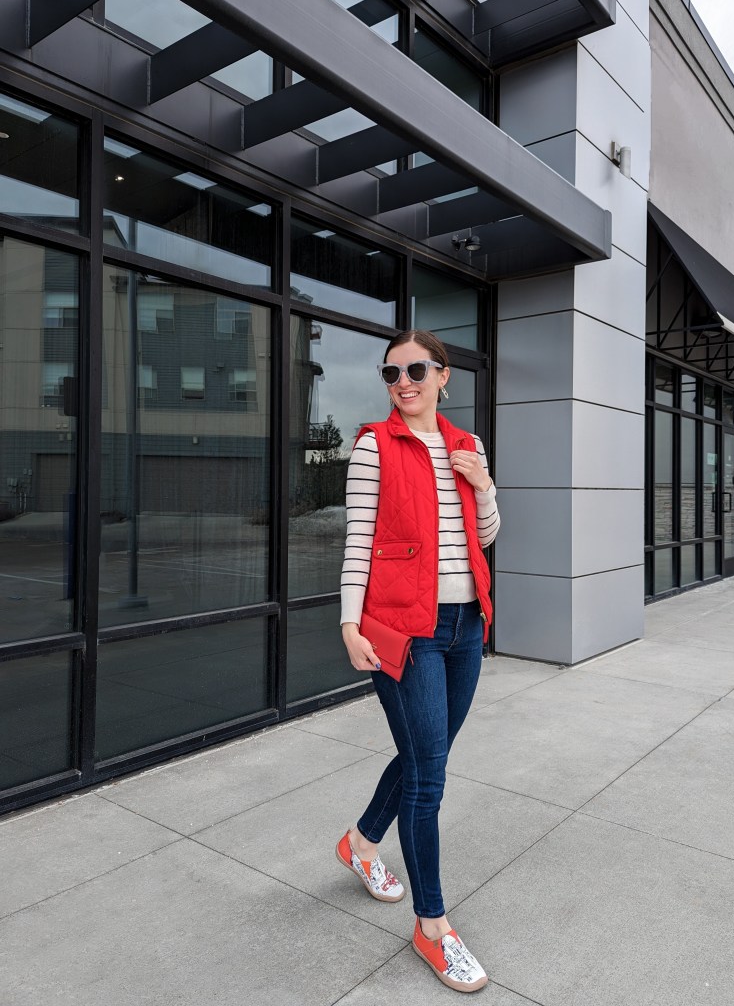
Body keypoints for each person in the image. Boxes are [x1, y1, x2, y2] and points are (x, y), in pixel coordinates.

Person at [337, 329, 500, 993]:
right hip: (405, 630)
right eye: (390, 373)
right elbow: (357, 540)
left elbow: (484, 535)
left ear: (443, 376)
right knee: (429, 776)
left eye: (414, 369)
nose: (402, 382)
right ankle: (431, 927)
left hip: (465, 627)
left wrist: (482, 485)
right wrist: (348, 622)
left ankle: (360, 842)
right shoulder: (374, 446)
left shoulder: (467, 446)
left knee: (421, 757)